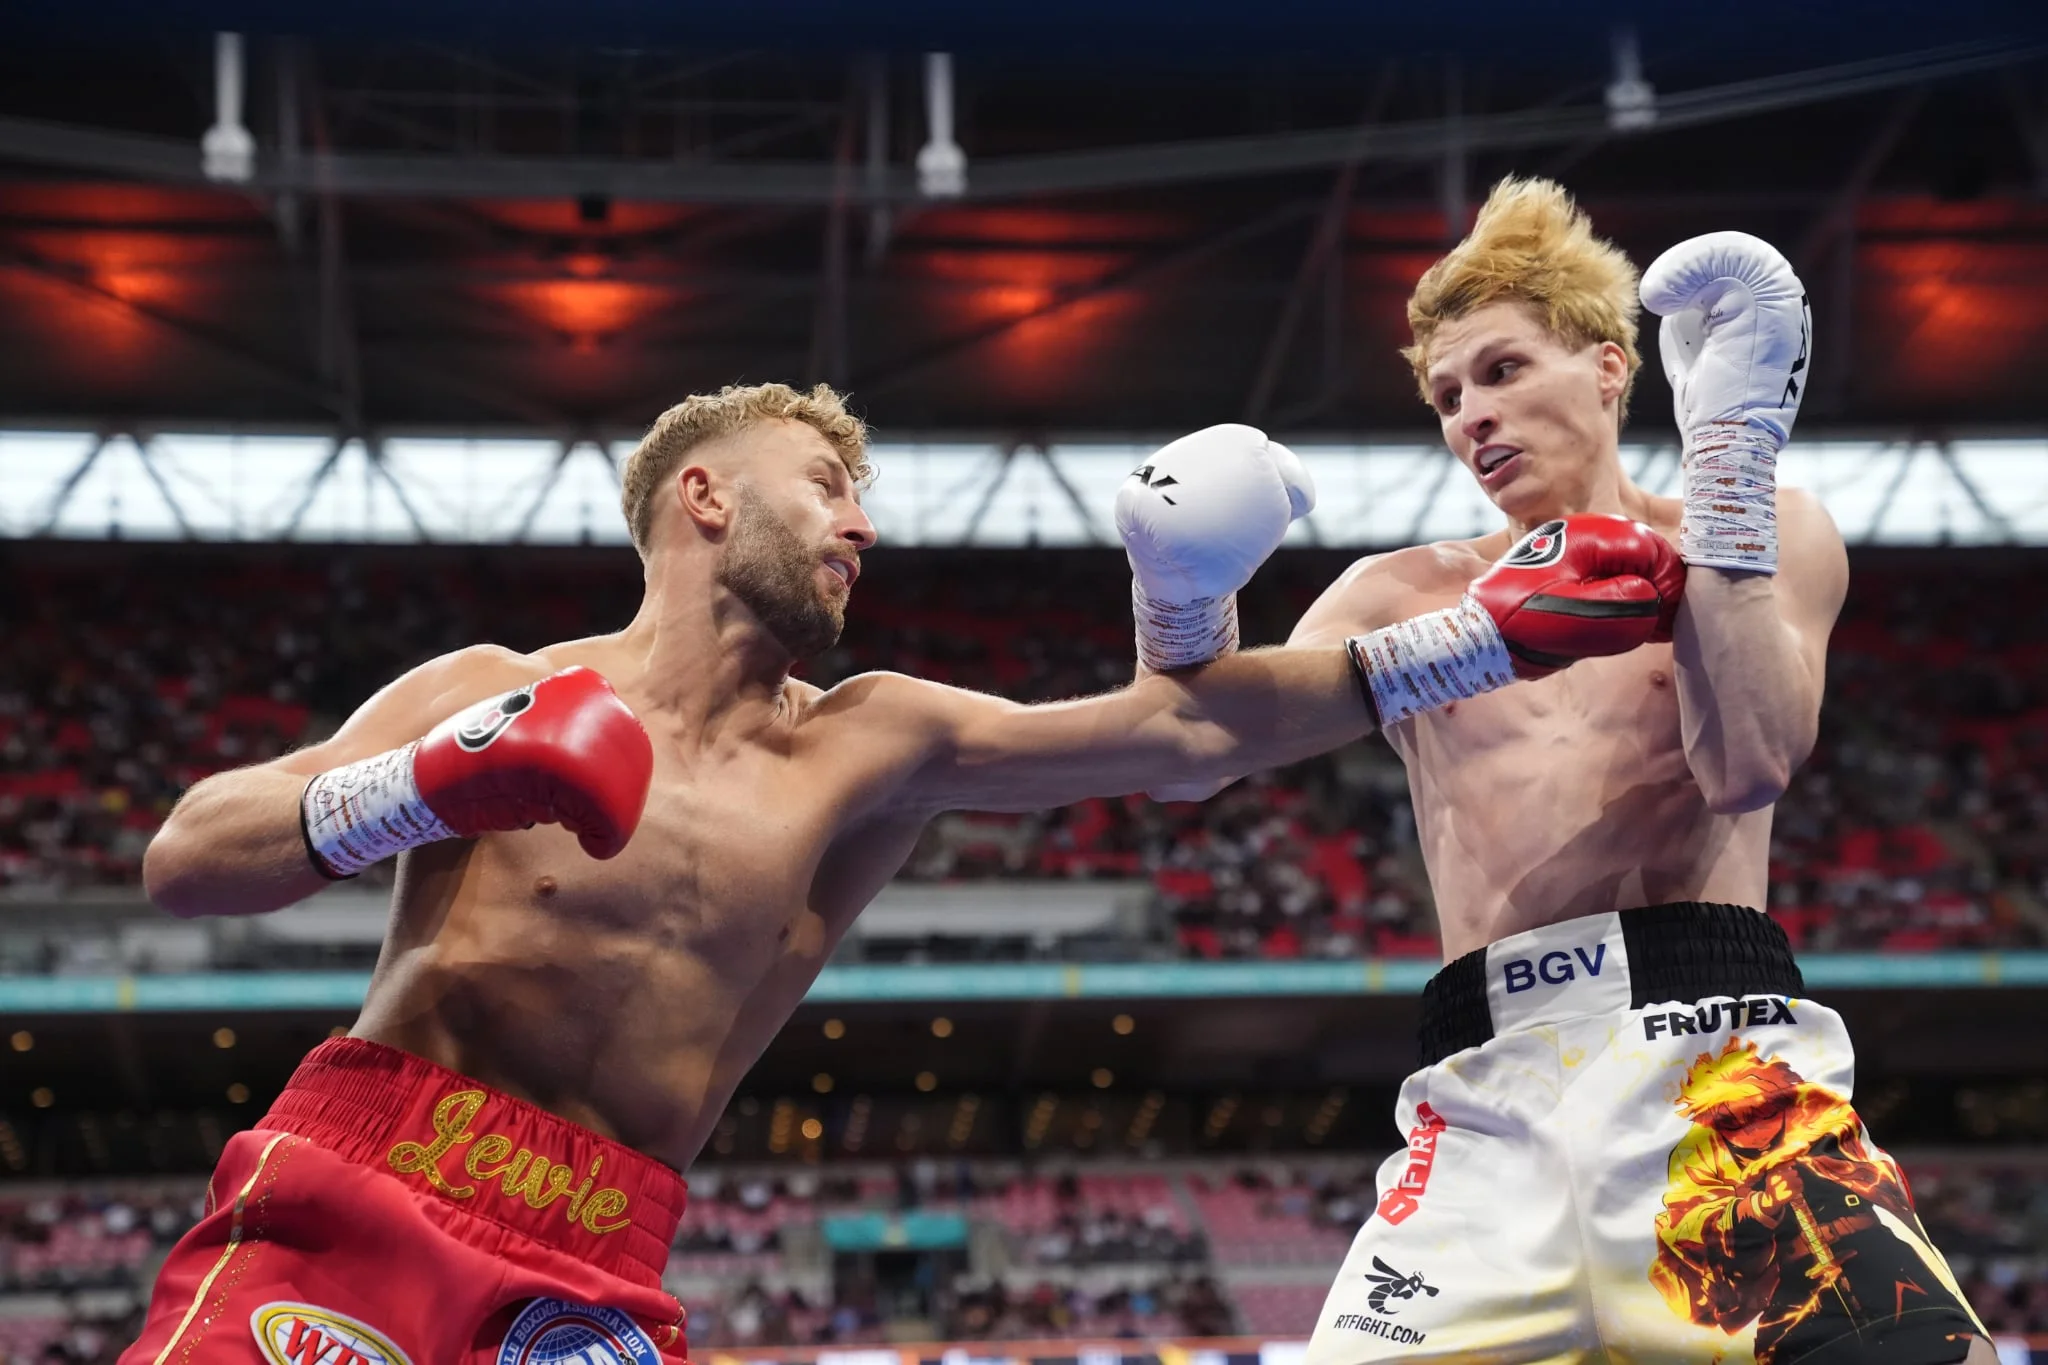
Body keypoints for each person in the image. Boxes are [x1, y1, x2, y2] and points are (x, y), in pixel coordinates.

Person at [124, 381, 1680, 1365]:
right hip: (369, 1181)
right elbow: (190, 856)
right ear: (704, 495)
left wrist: (1472, 642)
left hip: (595, 1262)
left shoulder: (870, 741)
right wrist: (434, 781)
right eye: (825, 483)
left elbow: (1180, 734)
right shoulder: (494, 684)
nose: (860, 524)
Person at [1117, 179, 1989, 1364]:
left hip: (1719, 1070)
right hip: (1486, 1098)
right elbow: (1187, 761)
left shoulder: (1764, 528)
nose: (1470, 416)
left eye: (1501, 370)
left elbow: (1747, 761)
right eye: (1446, 397)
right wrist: (1176, 600)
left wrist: (1726, 471)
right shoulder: (1400, 590)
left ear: (1607, 367)